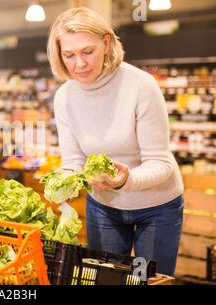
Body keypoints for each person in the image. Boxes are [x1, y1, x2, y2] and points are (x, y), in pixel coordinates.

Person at [47, 7, 184, 276]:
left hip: (157, 206)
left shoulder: (140, 85)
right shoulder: (65, 97)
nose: (79, 64)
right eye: (69, 55)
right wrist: (61, 182)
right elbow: (73, 162)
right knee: (105, 280)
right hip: (103, 207)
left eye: (88, 51)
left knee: (148, 281)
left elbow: (161, 162)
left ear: (106, 42)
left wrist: (125, 179)